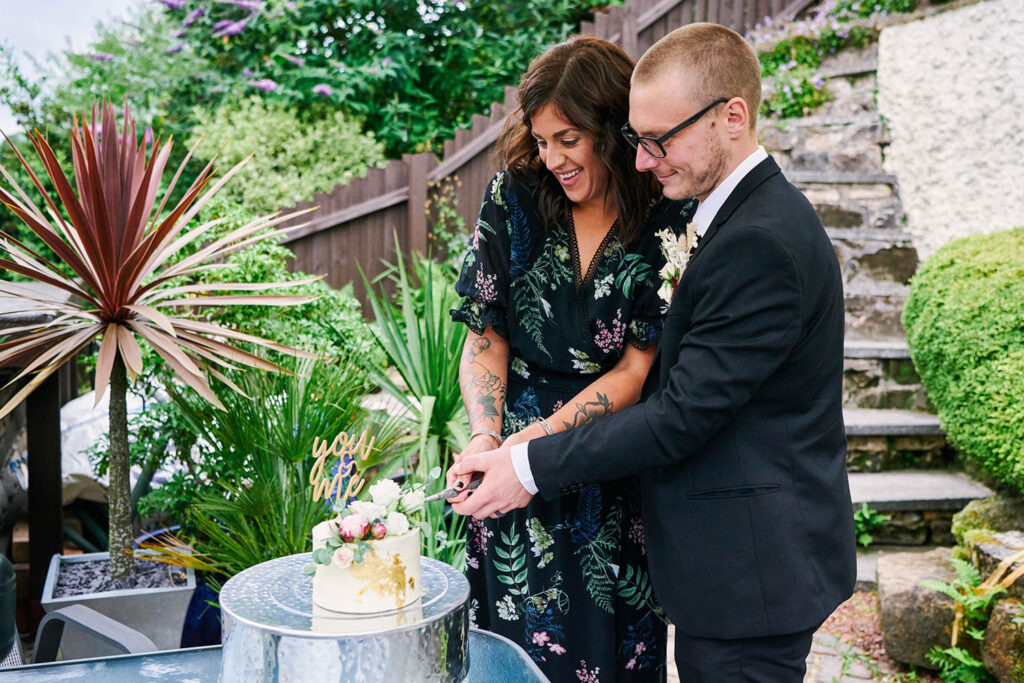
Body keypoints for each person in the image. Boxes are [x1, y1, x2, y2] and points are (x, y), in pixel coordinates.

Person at [450, 22, 857, 682]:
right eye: (640, 141)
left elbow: (677, 413)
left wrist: (525, 462)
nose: (644, 159)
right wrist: (492, 437)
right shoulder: (732, 220)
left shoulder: (755, 240)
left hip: (746, 570)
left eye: (659, 140)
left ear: (733, 116)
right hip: (724, 561)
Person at [448, 35, 696, 681]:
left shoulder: (667, 216)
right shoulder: (514, 195)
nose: (552, 157)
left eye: (569, 138)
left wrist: (531, 449)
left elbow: (636, 371)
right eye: (541, 139)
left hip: (609, 469)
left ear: (612, 129)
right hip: (506, 473)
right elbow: (485, 331)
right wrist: (486, 437)